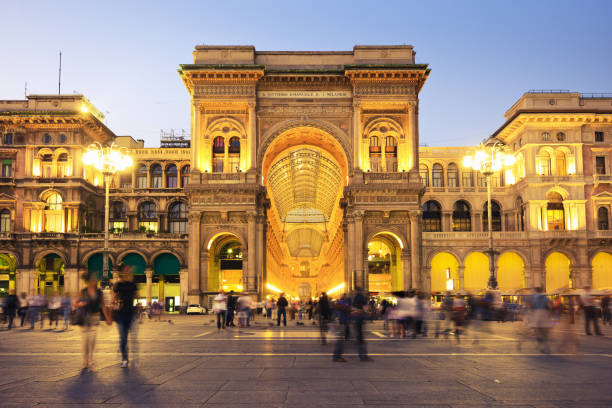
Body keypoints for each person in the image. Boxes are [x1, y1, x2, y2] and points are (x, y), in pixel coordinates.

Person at [75, 273, 111, 370]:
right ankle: (85, 360)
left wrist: (107, 317)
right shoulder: (83, 291)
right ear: (89, 281)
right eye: (93, 280)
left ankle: (90, 359)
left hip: (95, 316)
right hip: (84, 317)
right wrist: (81, 304)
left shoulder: (100, 292)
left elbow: (103, 306)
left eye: (95, 280)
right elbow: (75, 303)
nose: (94, 281)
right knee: (85, 339)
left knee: (92, 340)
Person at [333, 287, 372, 362]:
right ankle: (362, 356)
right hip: (349, 321)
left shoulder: (348, 298)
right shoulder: (355, 298)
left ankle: (362, 356)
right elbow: (342, 307)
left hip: (347, 321)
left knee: (354, 338)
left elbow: (340, 306)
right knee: (356, 338)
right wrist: (354, 310)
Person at [113, 265, 139, 368]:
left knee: (133, 338)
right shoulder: (117, 285)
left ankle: (134, 358)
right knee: (123, 338)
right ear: (121, 273)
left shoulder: (133, 284)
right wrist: (114, 304)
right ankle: (124, 359)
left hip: (131, 313)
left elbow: (138, 296)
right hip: (121, 314)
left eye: (128, 271)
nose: (127, 272)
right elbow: (113, 298)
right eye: (125, 271)